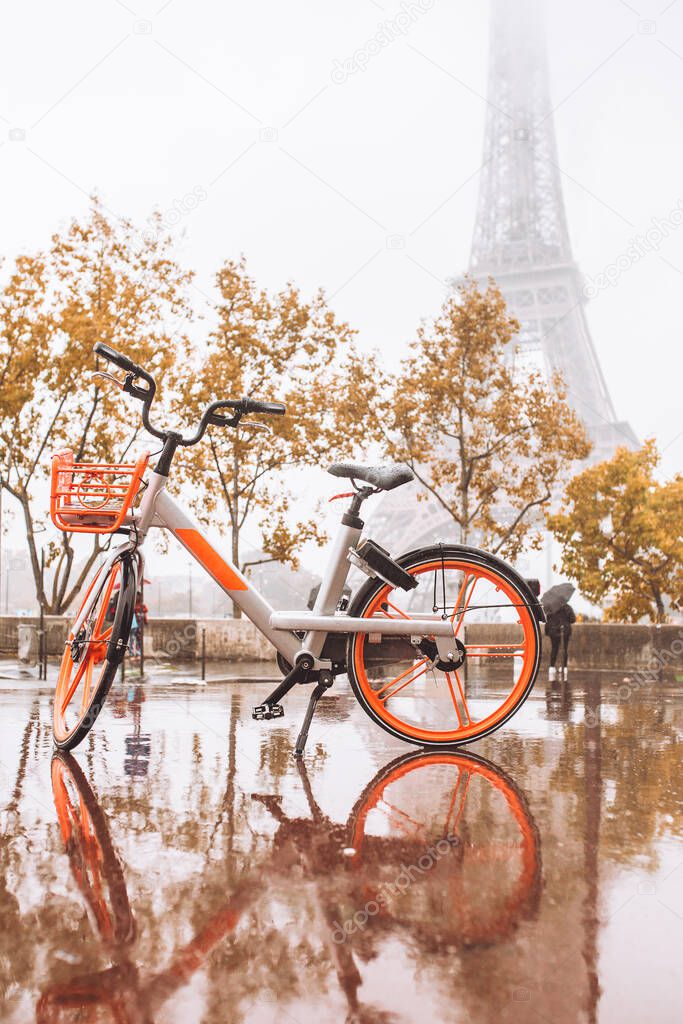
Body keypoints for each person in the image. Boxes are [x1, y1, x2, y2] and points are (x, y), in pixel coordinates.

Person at [546, 602, 576, 681]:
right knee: (564, 649)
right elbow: (573, 619)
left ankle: (552, 667)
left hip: (553, 631)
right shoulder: (567, 607)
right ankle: (564, 667)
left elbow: (547, 619)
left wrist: (547, 631)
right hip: (565, 630)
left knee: (554, 649)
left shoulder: (551, 607)